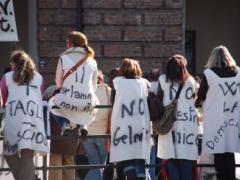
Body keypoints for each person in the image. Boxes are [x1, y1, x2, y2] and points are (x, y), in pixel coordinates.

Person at [48, 31, 99, 180]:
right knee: (91, 105)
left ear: (70, 43)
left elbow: (58, 82)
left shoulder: (63, 58)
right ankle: (83, 126)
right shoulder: (92, 60)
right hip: (88, 100)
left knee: (53, 104)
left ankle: (64, 124)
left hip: (69, 98)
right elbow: (94, 85)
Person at [0, 50, 49, 180]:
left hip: (14, 118)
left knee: (9, 152)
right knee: (28, 154)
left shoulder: (7, 77)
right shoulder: (38, 77)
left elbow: (3, 99)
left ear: (13, 63)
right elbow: (40, 94)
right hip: (33, 120)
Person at [195, 45, 240, 180]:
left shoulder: (208, 74)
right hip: (233, 119)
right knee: (230, 152)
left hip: (216, 119)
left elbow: (201, 95)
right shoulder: (238, 73)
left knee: (218, 153)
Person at [157, 54, 199, 180]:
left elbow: (159, 100)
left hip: (169, 123)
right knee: (186, 157)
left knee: (170, 157)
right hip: (187, 125)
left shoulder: (163, 79)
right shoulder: (191, 81)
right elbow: (196, 100)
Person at [110, 58, 151, 180]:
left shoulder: (117, 82)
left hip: (123, 124)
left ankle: (131, 173)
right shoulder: (144, 83)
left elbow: (113, 102)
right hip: (141, 124)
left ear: (122, 69)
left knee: (123, 153)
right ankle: (140, 176)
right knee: (139, 154)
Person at [82, 70, 111, 180]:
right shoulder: (108, 91)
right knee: (99, 166)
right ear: (101, 78)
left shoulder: (84, 91)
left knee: (95, 165)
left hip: (86, 133)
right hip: (103, 133)